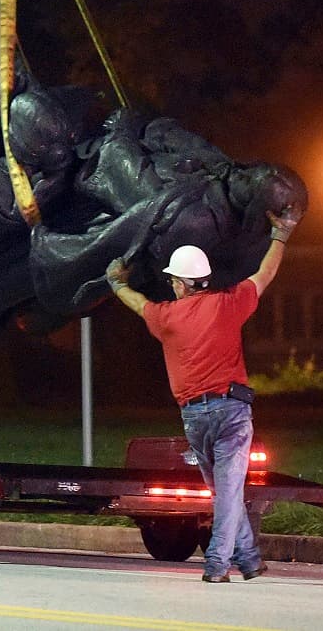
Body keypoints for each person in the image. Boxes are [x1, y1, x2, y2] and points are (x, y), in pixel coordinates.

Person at [105, 206, 302, 583]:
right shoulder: (229, 304)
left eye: (174, 282)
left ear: (181, 283)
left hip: (194, 419)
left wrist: (117, 284)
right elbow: (265, 274)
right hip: (231, 413)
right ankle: (218, 564)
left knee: (225, 491)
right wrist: (281, 235)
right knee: (228, 492)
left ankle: (246, 560)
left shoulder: (167, 318)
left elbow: (137, 304)